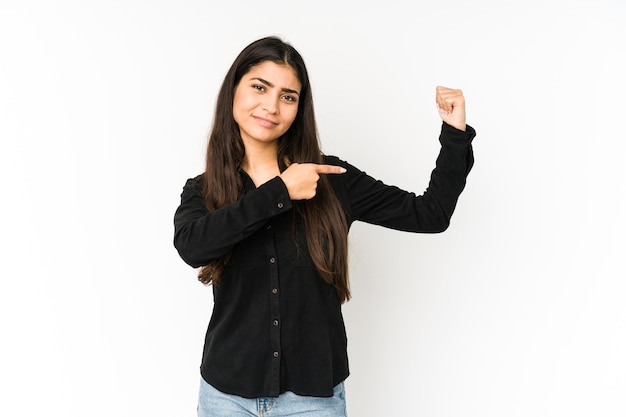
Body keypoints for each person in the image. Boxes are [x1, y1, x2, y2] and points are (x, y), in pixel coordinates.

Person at [173, 36, 475, 417]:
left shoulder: (331, 179)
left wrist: (454, 134)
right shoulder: (203, 189)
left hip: (313, 400)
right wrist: (281, 191)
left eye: (288, 96)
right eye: (259, 87)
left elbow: (430, 214)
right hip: (225, 396)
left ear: (299, 108)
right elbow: (192, 248)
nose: (271, 105)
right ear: (234, 90)